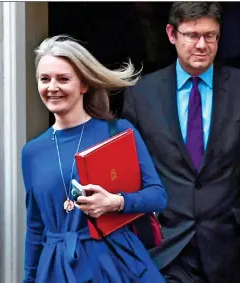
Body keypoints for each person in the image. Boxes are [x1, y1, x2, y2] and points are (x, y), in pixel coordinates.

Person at [121, 2, 240, 282]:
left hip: (229, 245)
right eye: (192, 35)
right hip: (165, 247)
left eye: (210, 36)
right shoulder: (141, 94)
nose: (202, 45)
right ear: (171, 34)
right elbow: (128, 171)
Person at [22, 35, 167, 283]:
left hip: (115, 263)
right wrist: (29, 278)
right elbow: (36, 228)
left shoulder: (119, 132)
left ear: (84, 85)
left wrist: (116, 202)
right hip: (58, 269)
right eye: (44, 79)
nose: (52, 87)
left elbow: (158, 196)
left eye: (63, 79)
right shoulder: (32, 151)